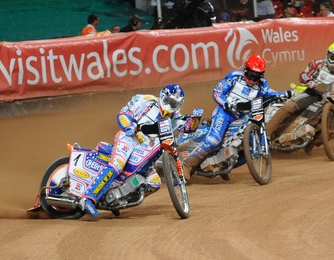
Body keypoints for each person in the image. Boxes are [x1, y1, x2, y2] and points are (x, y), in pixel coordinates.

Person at [79, 84, 186, 217]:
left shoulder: (175, 117)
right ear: (162, 96)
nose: (170, 106)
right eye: (168, 101)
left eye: (174, 104)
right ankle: (89, 198)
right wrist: (130, 126)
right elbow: (123, 113)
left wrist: (193, 122)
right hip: (129, 138)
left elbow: (185, 128)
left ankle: (117, 200)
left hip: (146, 152)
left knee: (154, 183)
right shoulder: (145, 100)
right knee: (117, 164)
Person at [183, 54, 293, 169]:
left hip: (243, 117)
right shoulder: (234, 77)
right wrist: (225, 103)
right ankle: (187, 165)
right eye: (250, 75)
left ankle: (223, 165)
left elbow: (270, 93)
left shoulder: (262, 84)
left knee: (252, 146)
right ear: (245, 70)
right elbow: (217, 91)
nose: (252, 80)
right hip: (224, 113)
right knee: (214, 141)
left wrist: (286, 94)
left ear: (261, 76)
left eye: (256, 77)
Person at [265, 42, 334, 138]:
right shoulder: (317, 64)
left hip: (333, 99)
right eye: (332, 57)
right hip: (313, 94)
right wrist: (310, 81)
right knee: (288, 107)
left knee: (325, 115)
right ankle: (266, 134)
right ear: (327, 55)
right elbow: (303, 76)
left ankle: (323, 132)